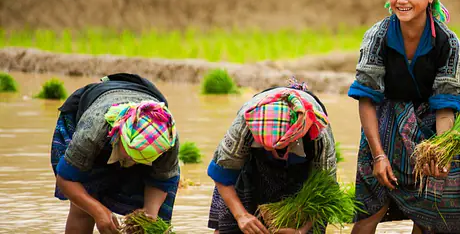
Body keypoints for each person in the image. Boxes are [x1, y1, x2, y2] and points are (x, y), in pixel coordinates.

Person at [348, 0, 460, 233]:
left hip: (428, 125)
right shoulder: (378, 36)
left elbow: (445, 105)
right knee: (369, 210)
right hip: (384, 124)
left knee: (430, 216)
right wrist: (378, 156)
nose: (401, 0)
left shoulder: (447, 43)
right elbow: (366, 98)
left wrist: (441, 151)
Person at [50, 73, 179, 234]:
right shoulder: (93, 131)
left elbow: (163, 180)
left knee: (156, 220)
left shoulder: (167, 138)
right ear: (120, 137)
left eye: (143, 160)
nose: (135, 163)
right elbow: (66, 178)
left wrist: (149, 214)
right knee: (83, 208)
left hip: (141, 109)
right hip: (95, 113)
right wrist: (98, 211)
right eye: (132, 156)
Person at [207, 80, 337, 234]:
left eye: (280, 146)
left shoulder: (318, 135)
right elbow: (222, 173)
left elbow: (326, 193)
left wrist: (301, 231)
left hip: (301, 171)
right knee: (228, 228)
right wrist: (241, 215)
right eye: (268, 146)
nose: (274, 150)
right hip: (252, 166)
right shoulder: (244, 125)